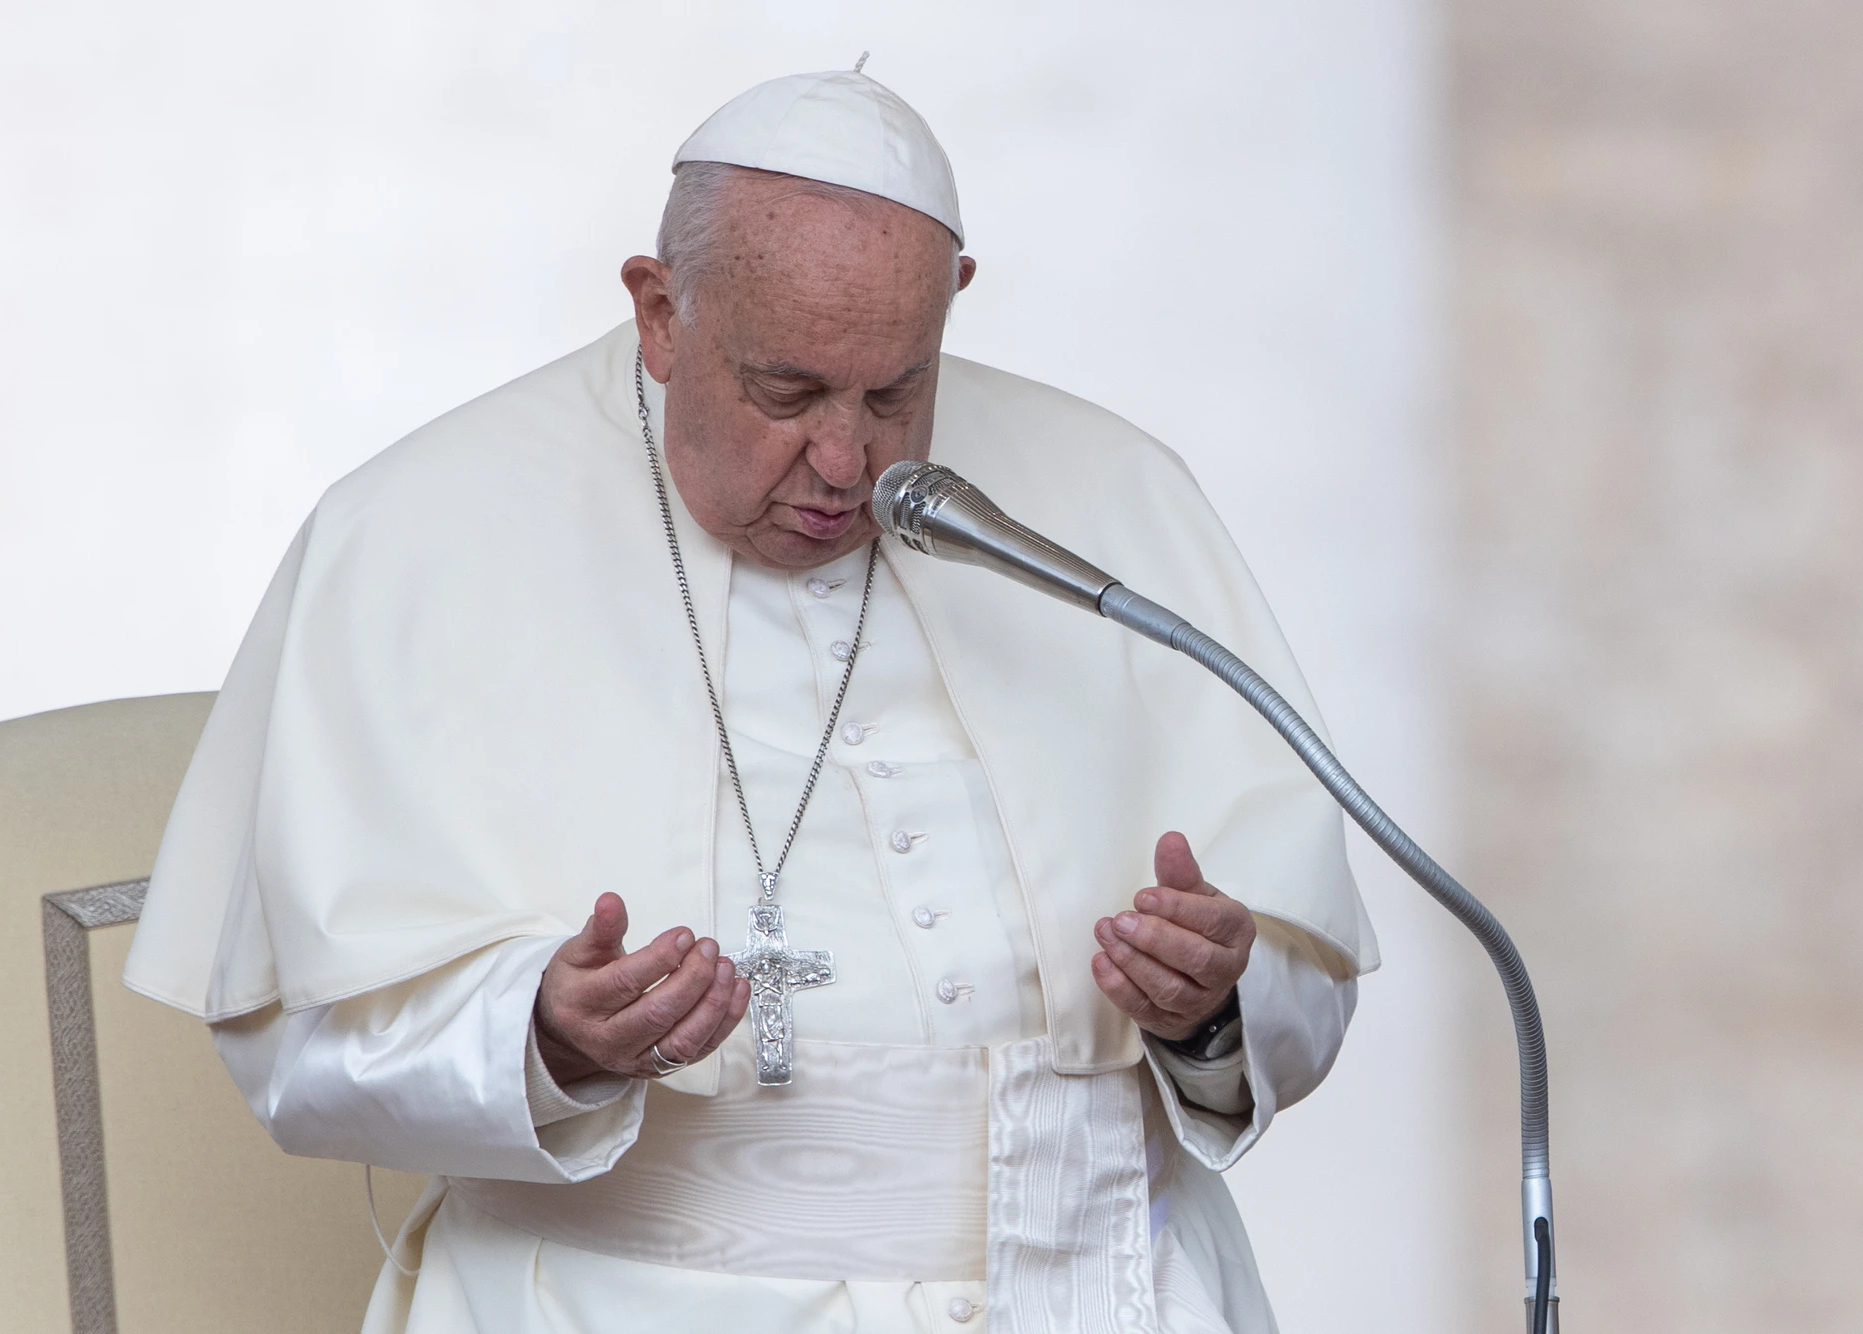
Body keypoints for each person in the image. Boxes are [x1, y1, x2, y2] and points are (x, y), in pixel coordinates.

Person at [124, 65, 1378, 1334]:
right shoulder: (415, 533)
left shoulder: (1110, 499)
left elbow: (1305, 976)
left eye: (896, 393)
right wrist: (540, 1038)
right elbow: (292, 1044)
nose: (847, 462)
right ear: (660, 314)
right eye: (786, 394)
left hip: (1104, 1291)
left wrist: (1214, 1003)